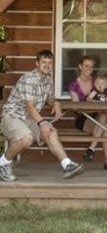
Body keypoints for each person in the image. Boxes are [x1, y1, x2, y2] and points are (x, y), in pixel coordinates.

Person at [0, 49, 84, 181]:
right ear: (37, 64)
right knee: (27, 139)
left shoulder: (48, 79)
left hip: (29, 118)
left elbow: (49, 98)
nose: (47, 65)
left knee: (51, 132)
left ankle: (67, 165)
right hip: (12, 116)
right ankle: (3, 163)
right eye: (44, 62)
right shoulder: (29, 79)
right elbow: (30, 105)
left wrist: (55, 103)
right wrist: (42, 122)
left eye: (50, 63)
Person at [68, 55, 107, 171]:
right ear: (80, 66)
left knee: (105, 122)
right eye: (86, 66)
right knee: (106, 127)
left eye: (91, 67)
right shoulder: (73, 85)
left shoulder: (96, 82)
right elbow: (76, 107)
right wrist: (94, 106)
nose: (89, 69)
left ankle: (91, 149)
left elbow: (104, 96)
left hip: (98, 116)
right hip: (83, 118)